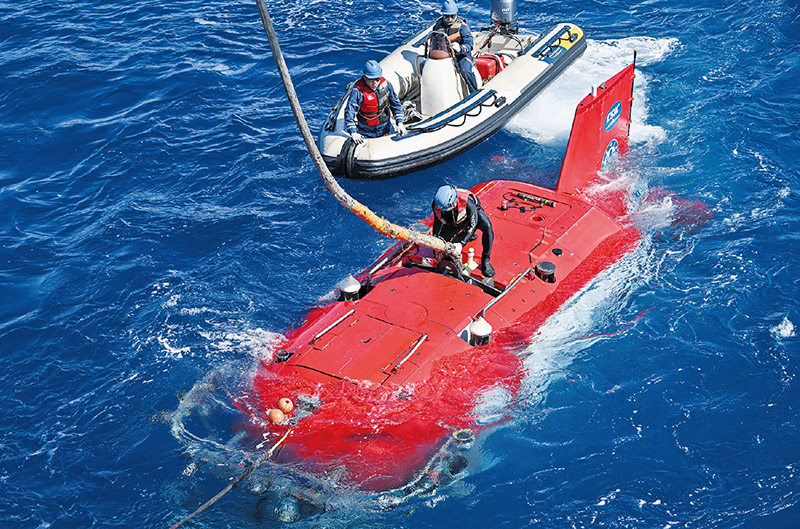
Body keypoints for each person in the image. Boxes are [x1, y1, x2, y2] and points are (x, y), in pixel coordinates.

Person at [432, 185, 495, 277]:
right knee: (444, 243)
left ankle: (486, 259)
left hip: (471, 217)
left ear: (454, 203)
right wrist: (435, 240)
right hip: (454, 220)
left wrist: (461, 243)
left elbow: (473, 224)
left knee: (487, 227)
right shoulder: (437, 206)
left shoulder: (468, 203)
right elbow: (437, 223)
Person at [344, 60, 406, 144]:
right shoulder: (358, 91)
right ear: (365, 78)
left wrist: (400, 123)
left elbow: (396, 105)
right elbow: (350, 112)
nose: (375, 83)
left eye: (377, 79)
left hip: (386, 128)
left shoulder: (387, 86)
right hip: (366, 131)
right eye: (371, 80)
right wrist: (353, 132)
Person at [432, 0, 478, 93]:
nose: (449, 19)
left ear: (455, 15)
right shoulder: (437, 26)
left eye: (452, 16)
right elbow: (434, 40)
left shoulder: (462, 26)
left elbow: (469, 44)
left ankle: (474, 92)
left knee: (465, 70)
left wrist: (460, 48)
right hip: (444, 54)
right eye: (446, 16)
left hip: (461, 54)